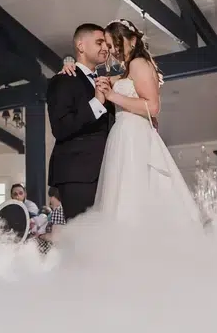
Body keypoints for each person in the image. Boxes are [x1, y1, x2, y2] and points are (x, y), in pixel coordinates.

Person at [59, 19, 200, 224]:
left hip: (134, 136)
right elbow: (96, 82)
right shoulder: (127, 69)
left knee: (135, 192)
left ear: (132, 39)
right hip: (123, 136)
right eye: (108, 45)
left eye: (115, 43)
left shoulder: (138, 63)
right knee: (122, 194)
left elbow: (153, 107)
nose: (112, 50)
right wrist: (69, 65)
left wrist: (113, 97)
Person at [46, 23, 114, 220]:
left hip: (106, 170)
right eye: (99, 42)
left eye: (107, 44)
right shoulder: (63, 80)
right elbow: (60, 127)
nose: (105, 48)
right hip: (78, 173)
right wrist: (96, 103)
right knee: (83, 239)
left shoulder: (104, 81)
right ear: (81, 46)